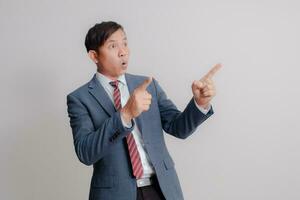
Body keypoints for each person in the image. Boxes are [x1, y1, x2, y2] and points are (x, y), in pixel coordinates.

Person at [67, 21, 221, 200]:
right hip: (115, 194)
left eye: (125, 43)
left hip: (162, 189)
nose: (123, 51)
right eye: (113, 46)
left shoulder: (148, 85)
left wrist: (199, 103)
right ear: (94, 56)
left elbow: (179, 128)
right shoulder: (80, 98)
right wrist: (125, 115)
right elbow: (86, 153)